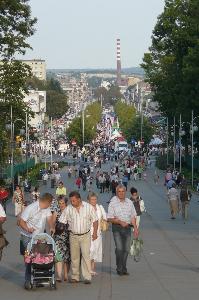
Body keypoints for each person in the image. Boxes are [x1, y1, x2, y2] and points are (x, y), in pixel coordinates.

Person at [59, 191, 98, 284]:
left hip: (85, 235)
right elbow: (62, 221)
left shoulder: (88, 207)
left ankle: (87, 277)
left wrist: (95, 233)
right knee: (74, 257)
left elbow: (95, 220)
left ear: (79, 199)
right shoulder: (68, 209)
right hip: (73, 235)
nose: (72, 203)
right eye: (71, 201)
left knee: (85, 255)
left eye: (74, 201)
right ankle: (75, 276)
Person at [19, 193, 54, 289]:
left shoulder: (46, 208)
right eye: (50, 203)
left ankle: (38, 278)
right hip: (27, 236)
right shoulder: (31, 208)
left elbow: (49, 218)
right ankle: (27, 280)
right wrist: (27, 228)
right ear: (47, 202)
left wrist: (51, 227)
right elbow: (21, 221)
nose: (50, 205)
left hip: (39, 237)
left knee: (39, 258)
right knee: (29, 258)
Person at [107, 185, 138, 276]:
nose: (121, 193)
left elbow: (133, 216)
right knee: (120, 248)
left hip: (128, 227)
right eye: (119, 191)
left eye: (123, 191)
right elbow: (109, 218)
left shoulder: (129, 202)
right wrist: (119, 221)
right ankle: (120, 268)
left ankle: (123, 266)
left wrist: (135, 228)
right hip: (117, 228)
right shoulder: (113, 202)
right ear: (116, 193)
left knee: (127, 249)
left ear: (125, 192)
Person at [88, 192, 107, 276]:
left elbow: (105, 217)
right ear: (88, 200)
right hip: (88, 232)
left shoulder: (100, 207)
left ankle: (92, 269)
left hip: (98, 232)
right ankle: (88, 269)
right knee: (90, 250)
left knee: (95, 250)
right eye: (92, 199)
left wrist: (104, 220)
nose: (94, 201)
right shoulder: (86, 208)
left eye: (95, 199)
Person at [53, 196, 70, 282]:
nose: (61, 205)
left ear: (66, 203)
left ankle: (66, 274)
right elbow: (52, 224)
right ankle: (59, 275)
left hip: (68, 236)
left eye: (63, 203)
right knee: (58, 255)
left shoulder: (70, 211)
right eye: (59, 203)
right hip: (58, 236)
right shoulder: (56, 212)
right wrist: (52, 231)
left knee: (67, 257)